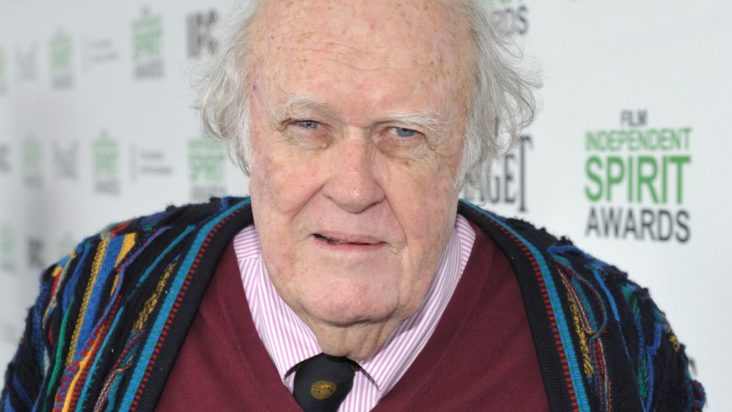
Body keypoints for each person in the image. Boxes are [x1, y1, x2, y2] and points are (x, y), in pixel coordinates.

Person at [2, 0, 705, 411]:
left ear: (470, 140)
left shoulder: (613, 339)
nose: (353, 186)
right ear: (246, 128)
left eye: (404, 134)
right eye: (308, 125)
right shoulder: (97, 298)